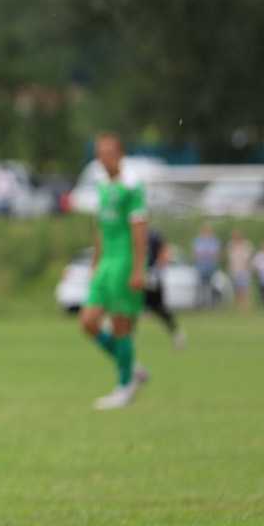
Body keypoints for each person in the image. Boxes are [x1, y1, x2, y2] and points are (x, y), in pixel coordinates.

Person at [79, 133, 150, 410]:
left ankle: (124, 387)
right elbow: (100, 227)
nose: (103, 158)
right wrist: (95, 262)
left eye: (109, 152)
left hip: (125, 260)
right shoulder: (101, 184)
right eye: (100, 153)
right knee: (88, 321)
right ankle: (131, 366)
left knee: (121, 324)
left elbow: (140, 230)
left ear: (120, 154)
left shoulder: (132, 186)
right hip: (106, 261)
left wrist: (138, 269)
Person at [142, 229, 185, 349]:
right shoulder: (128, 232)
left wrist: (157, 270)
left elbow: (164, 252)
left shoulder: (154, 235)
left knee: (159, 308)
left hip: (152, 276)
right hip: (137, 276)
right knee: (129, 307)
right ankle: (123, 338)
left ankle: (176, 333)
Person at [192, 224, 221, 308]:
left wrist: (206, 254)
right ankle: (201, 304)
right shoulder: (198, 240)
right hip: (201, 267)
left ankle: (211, 304)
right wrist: (207, 254)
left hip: (211, 266)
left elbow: (215, 254)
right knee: (201, 286)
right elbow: (197, 253)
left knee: (211, 286)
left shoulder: (214, 241)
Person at [227, 230, 253, 310]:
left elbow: (248, 258)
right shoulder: (230, 245)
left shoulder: (247, 245)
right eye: (234, 236)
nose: (236, 237)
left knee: (245, 289)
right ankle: (238, 306)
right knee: (236, 288)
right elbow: (229, 258)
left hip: (244, 270)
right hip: (234, 270)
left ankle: (245, 306)